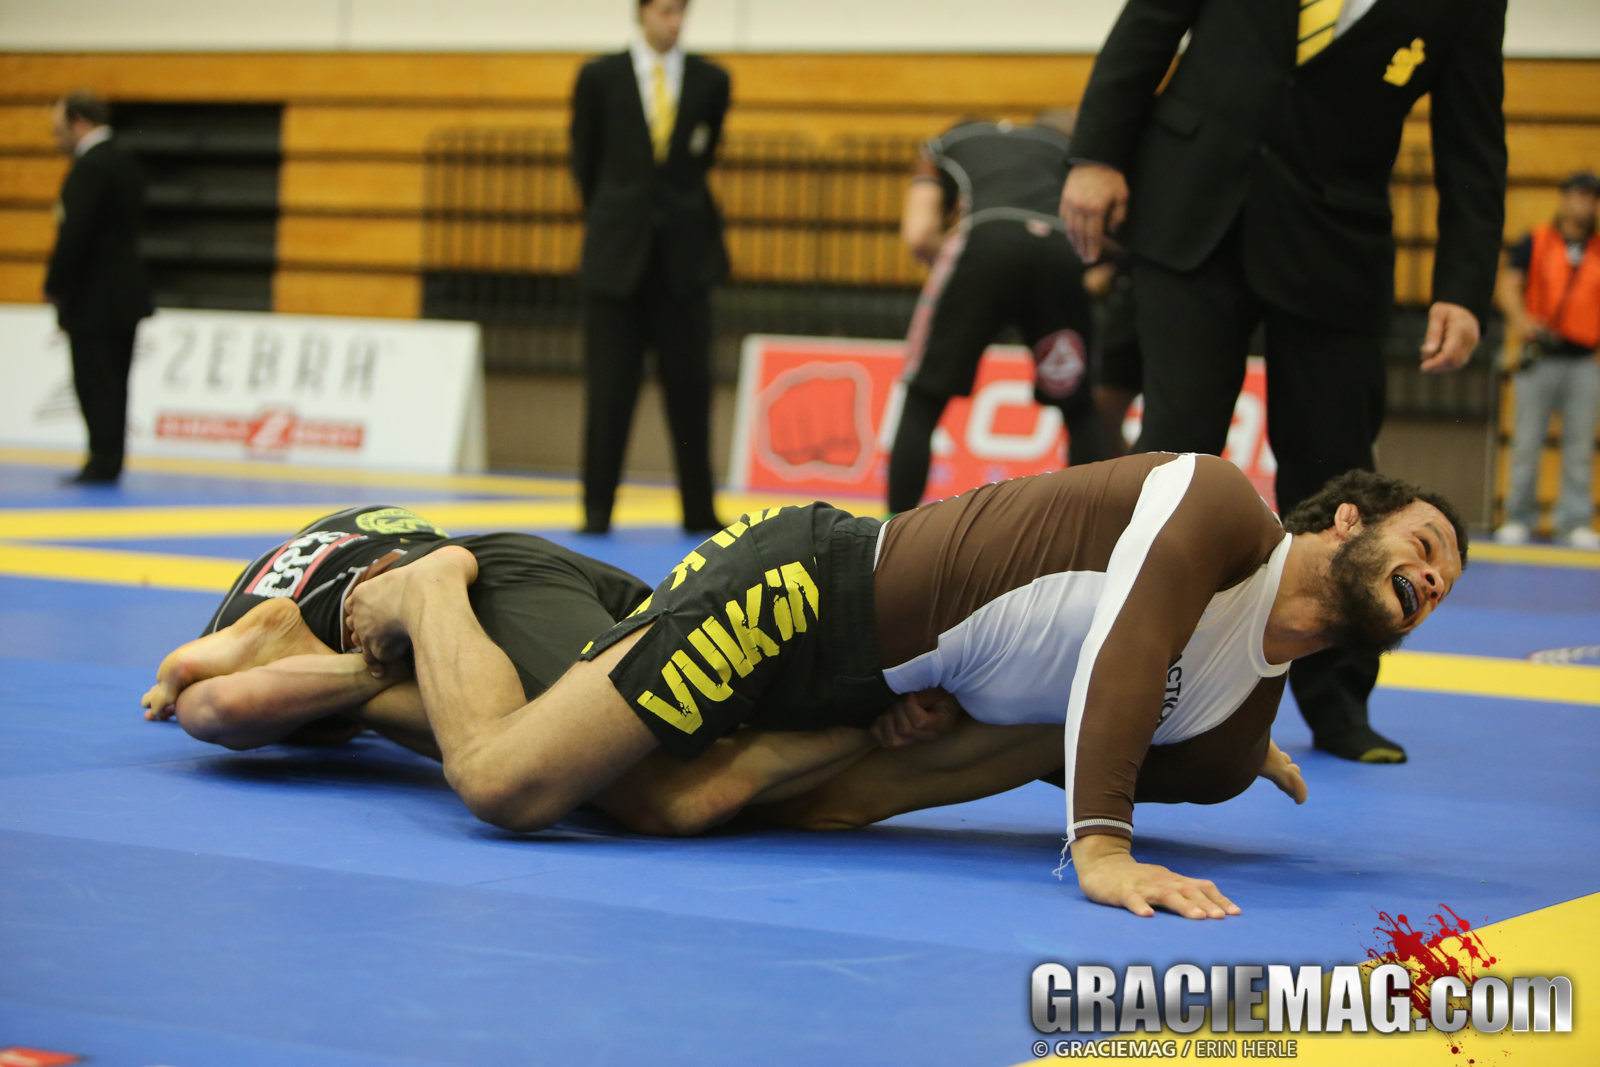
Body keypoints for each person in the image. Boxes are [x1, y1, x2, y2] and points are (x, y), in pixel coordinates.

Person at [341, 456, 1464, 919]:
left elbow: (1044, 741)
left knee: (677, 802)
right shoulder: (1217, 505)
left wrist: (1235, 742)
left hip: (871, 690)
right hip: (800, 589)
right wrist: (1103, 846)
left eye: (1446, 585)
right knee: (507, 784)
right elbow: (1125, 650)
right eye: (1423, 545)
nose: (1431, 579)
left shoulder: (1227, 735)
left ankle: (369, 698)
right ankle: (430, 592)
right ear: (1347, 520)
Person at [1059, 0, 1507, 763]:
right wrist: (1095, 154)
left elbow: (1473, 139)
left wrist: (1463, 287)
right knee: (1175, 454)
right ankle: (1118, 660)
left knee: (1340, 477)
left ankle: (1339, 703)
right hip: (1191, 203)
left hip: (1336, 241)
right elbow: (1149, 22)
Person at [888, 111, 1106, 514]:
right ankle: (1100, 530)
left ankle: (891, 529)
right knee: (1079, 406)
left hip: (983, 245)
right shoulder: (1061, 149)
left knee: (923, 397)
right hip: (1059, 251)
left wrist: (952, 267)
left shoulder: (944, 146)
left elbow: (920, 234)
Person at [570, 0, 728, 535]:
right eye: (665, 11)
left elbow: (702, 158)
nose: (675, 22)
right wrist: (619, 217)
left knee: (691, 391)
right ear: (640, 13)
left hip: (685, 260)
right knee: (609, 391)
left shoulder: (711, 80)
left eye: (681, 11)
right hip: (617, 258)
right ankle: (596, 509)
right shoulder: (599, 77)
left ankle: (699, 510)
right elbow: (585, 162)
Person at [44, 89, 154, 486]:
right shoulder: (127, 161)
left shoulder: (89, 166)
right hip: (126, 292)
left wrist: (55, 285)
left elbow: (75, 234)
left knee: (94, 381)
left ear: (78, 122)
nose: (58, 138)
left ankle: (100, 461)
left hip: (95, 296)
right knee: (115, 382)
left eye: (59, 129)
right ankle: (111, 457)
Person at [1494, 170, 1600, 549]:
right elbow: (1509, 284)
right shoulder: (1536, 240)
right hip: (1540, 355)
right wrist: (1521, 319)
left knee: (1580, 447)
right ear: (1564, 198)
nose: (1584, 203)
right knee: (1526, 441)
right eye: (1578, 195)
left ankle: (1573, 521)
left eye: (1591, 197)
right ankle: (1519, 516)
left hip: (1585, 360)